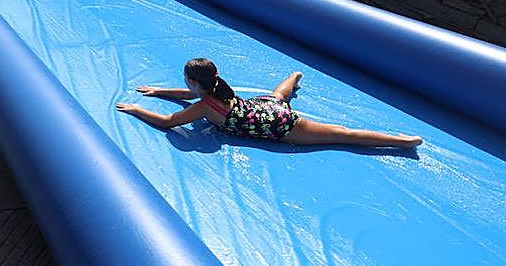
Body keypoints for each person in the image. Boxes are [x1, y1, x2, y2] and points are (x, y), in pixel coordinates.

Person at [116, 58, 423, 148]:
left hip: (281, 125)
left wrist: (136, 109)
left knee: (342, 134)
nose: (186, 86)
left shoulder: (205, 106)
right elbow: (187, 95)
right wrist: (159, 91)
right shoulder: (214, 88)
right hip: (259, 108)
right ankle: (294, 75)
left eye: (187, 81)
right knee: (278, 97)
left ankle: (401, 141)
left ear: (197, 84)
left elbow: (169, 122)